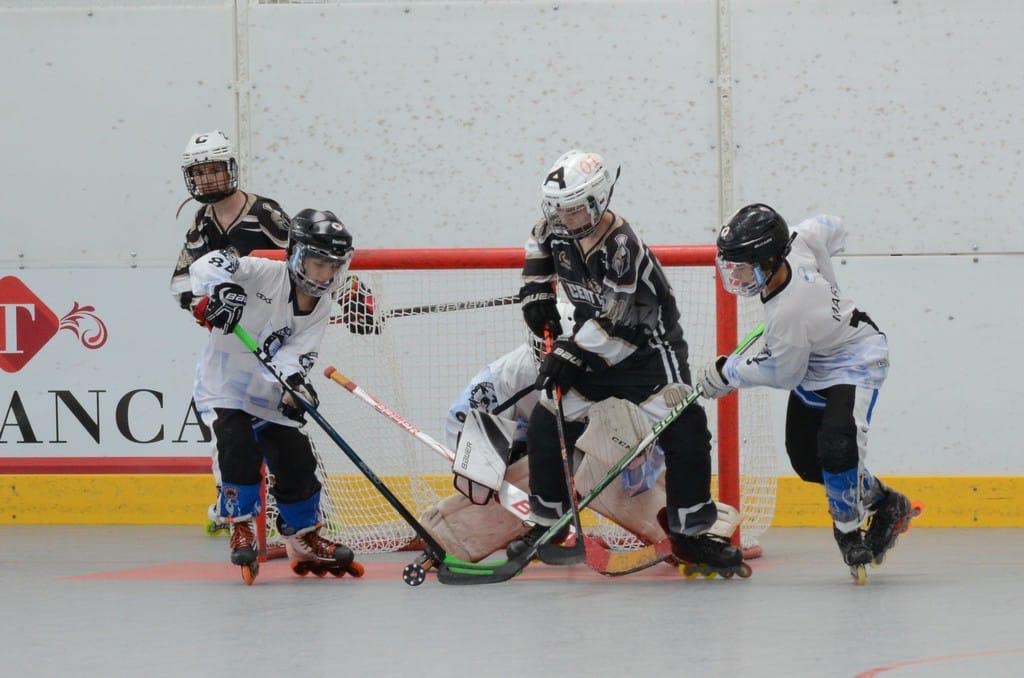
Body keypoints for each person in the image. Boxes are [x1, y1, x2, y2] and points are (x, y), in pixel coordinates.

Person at [507, 149, 746, 575]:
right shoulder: (554, 227)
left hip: (648, 351)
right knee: (551, 414)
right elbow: (537, 249)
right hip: (595, 344)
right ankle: (550, 523)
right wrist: (536, 295)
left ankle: (691, 533)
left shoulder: (621, 244)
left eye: (575, 208)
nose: (565, 218)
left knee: (685, 427)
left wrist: (569, 352)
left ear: (598, 201)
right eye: (560, 208)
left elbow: (617, 318)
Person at [697, 204, 916, 581]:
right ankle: (885, 501)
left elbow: (783, 373)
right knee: (806, 462)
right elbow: (833, 225)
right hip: (813, 360)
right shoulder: (798, 240)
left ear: (768, 258)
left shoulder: (788, 313)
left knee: (838, 444)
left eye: (744, 266)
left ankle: (848, 532)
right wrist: (825, 277)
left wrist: (727, 372)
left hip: (855, 358)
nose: (737, 276)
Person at [188, 208, 361, 583]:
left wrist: (295, 386)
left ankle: (303, 535)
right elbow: (205, 265)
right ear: (297, 255)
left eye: (334, 266)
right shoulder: (261, 271)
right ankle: (241, 524)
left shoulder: (322, 306)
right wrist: (223, 290)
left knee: (296, 456)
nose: (327, 274)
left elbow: (293, 355)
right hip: (225, 387)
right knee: (237, 445)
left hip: (266, 392)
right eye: (319, 264)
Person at [169, 131, 291, 534]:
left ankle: (296, 510)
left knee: (282, 426)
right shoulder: (202, 223)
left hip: (274, 340)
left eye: (215, 170)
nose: (208, 180)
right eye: (200, 173)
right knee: (226, 427)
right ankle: (233, 509)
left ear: (230, 169)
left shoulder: (266, 214)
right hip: (232, 343)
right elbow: (181, 282)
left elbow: (305, 262)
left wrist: (342, 298)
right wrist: (200, 307)